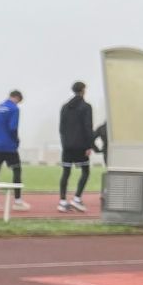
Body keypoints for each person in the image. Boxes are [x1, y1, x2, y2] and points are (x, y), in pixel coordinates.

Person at [0, 89, 29, 212]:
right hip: (9, 146)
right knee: (17, 170)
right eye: (19, 101)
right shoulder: (14, 109)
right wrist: (16, 140)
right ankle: (18, 202)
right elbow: (13, 128)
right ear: (17, 98)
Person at [58, 80, 96, 212]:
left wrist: (64, 143)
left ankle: (62, 202)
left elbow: (61, 128)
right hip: (81, 146)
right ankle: (77, 198)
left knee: (66, 173)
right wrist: (89, 145)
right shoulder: (86, 107)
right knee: (85, 171)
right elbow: (88, 127)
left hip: (67, 146)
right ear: (83, 90)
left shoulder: (64, 107)